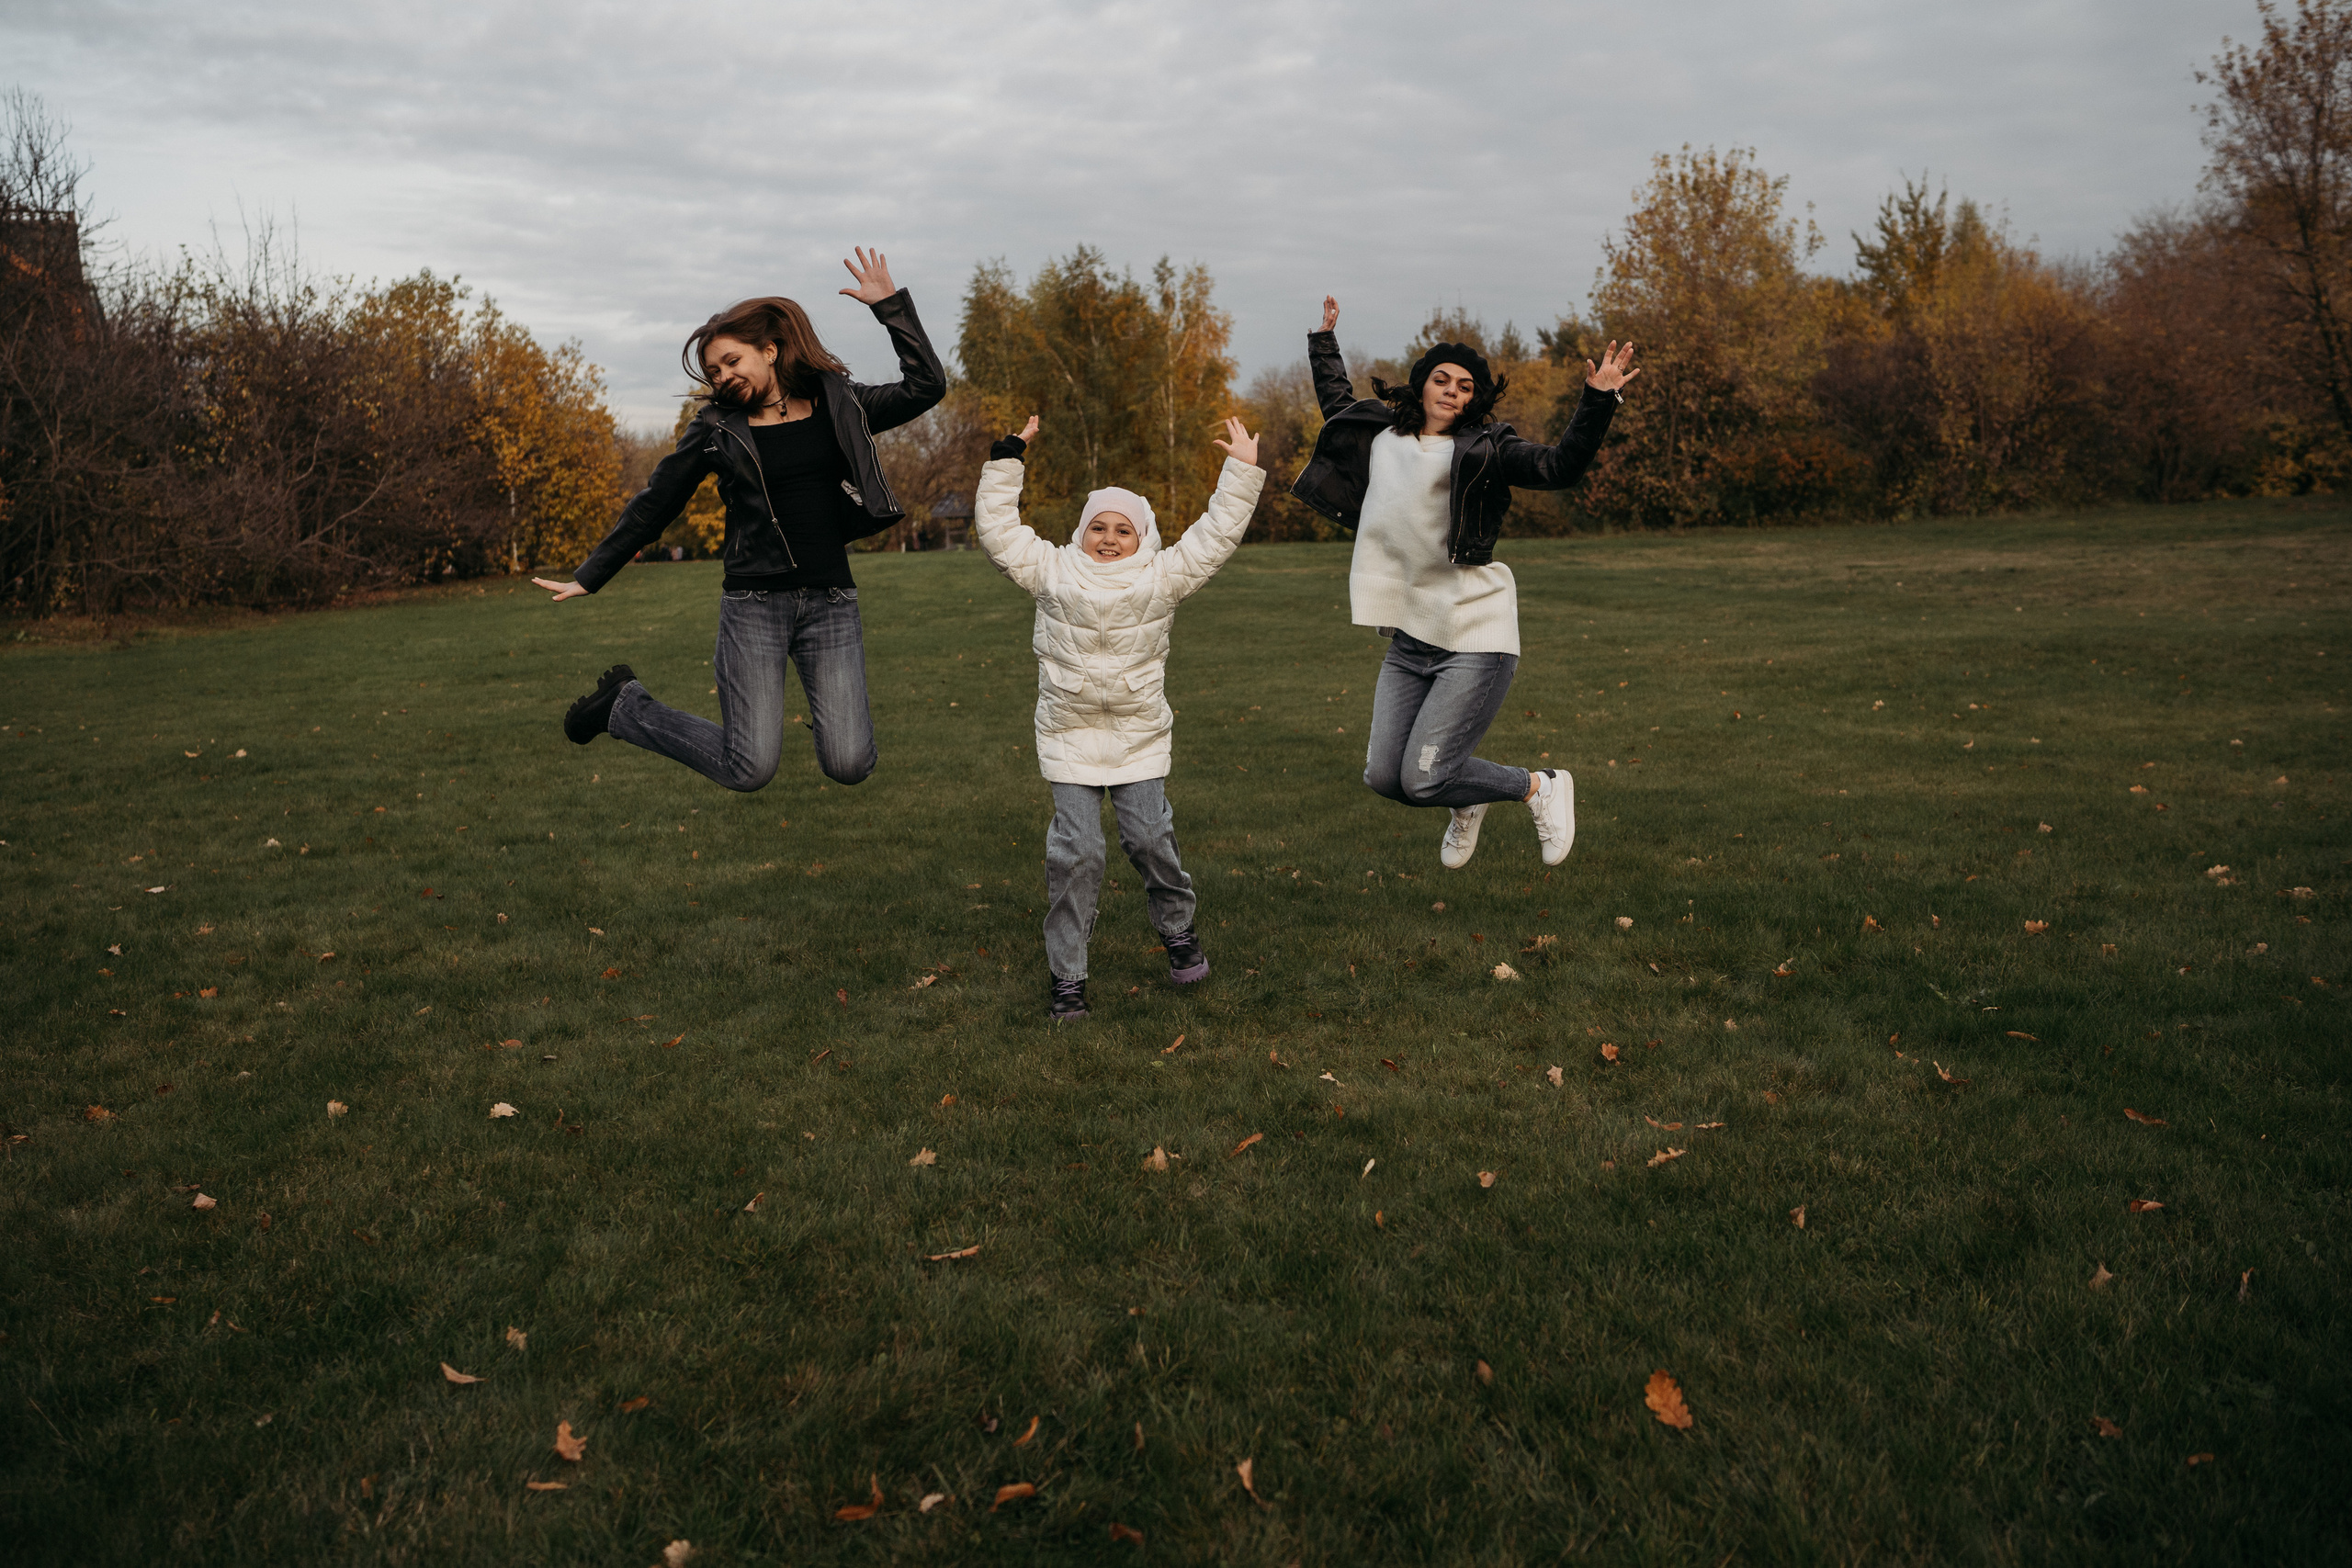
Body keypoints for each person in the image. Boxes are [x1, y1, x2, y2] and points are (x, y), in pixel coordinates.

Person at [530, 248, 945, 795]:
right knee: (749, 768)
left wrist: (890, 307)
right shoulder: (715, 429)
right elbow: (657, 502)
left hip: (832, 603)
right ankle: (626, 707)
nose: (723, 376)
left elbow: (927, 387)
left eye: (732, 361)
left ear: (769, 351)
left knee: (850, 763)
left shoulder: (840, 401)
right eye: (713, 371)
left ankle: (635, 707)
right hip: (754, 607)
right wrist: (592, 573)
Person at [1290, 296, 1637, 869]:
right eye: (1442, 379)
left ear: (1476, 399)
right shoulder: (1380, 437)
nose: (1452, 390)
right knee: (1383, 776)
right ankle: (1468, 800)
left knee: (1425, 779)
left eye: (1466, 386)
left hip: (1474, 632)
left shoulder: (1487, 449)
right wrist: (1323, 342)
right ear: (1421, 385)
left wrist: (1598, 399)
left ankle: (1538, 786)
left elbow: (1559, 467)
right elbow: (1337, 405)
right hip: (1409, 641)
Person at [974, 412, 1266, 1021]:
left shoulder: (1162, 579)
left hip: (1137, 737)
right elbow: (1000, 533)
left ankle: (1179, 932)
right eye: (1098, 527)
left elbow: (1215, 538)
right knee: (1077, 854)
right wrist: (1006, 461)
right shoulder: (1052, 572)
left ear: (1144, 538)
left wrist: (1240, 471)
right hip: (1070, 737)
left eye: (1124, 529)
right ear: (1081, 532)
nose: (1109, 538)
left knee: (1150, 840)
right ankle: (1068, 980)